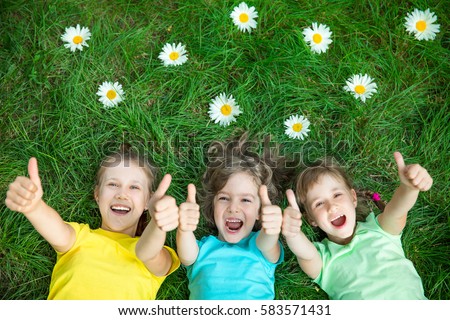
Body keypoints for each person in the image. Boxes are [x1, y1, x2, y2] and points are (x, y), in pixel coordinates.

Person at [5, 145, 180, 299]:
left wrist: (157, 225)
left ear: (147, 201)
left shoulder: (155, 252)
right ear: (97, 195)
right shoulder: (80, 237)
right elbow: (57, 231)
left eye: (134, 187)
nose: (121, 194)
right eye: (113, 184)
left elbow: (148, 253)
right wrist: (34, 208)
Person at [282, 152, 432, 299]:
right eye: (319, 203)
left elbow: (398, 210)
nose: (332, 207)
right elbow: (304, 253)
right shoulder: (324, 261)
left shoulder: (380, 230)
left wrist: (409, 189)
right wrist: (293, 233)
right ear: (311, 219)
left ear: (353, 198)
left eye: (337, 195)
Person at [176, 133, 288, 299]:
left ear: (260, 211)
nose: (233, 207)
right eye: (224, 198)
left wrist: (271, 229)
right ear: (212, 205)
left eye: (245, 199)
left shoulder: (260, 246)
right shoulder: (202, 249)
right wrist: (184, 229)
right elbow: (186, 257)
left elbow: (268, 243)